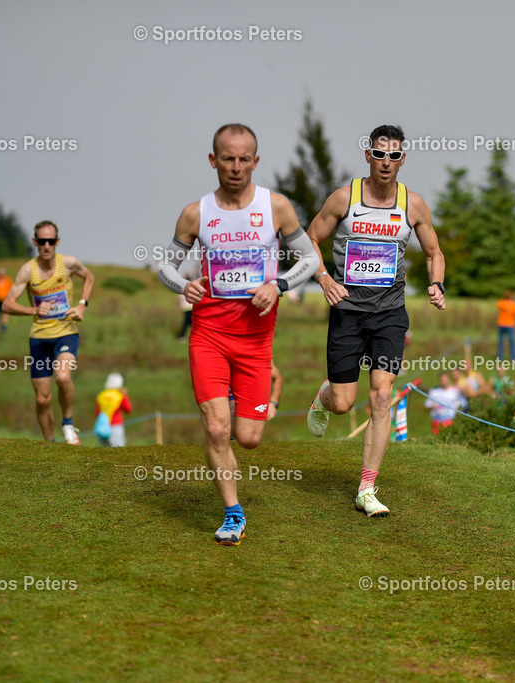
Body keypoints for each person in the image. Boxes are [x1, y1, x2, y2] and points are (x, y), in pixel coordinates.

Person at [156, 123, 320, 546]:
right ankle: (232, 513)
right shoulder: (197, 213)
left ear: (256, 161)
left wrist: (278, 284)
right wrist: (183, 285)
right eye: (227, 158)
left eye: (244, 159)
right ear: (213, 160)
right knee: (215, 430)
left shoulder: (276, 206)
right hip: (208, 332)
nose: (235, 167)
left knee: (247, 438)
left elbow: (309, 258)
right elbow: (165, 266)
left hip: (255, 339)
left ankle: (234, 405)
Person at [305, 124, 446, 518]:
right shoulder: (343, 198)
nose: (386, 162)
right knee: (344, 403)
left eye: (394, 155)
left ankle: (366, 488)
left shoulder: (412, 204)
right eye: (380, 154)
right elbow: (309, 239)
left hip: (389, 312)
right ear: (368, 155)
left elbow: (434, 251)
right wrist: (324, 278)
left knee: (382, 396)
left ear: (403, 159)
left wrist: (436, 284)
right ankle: (325, 395)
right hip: (348, 310)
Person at [1, 220, 96, 445]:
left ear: (57, 242)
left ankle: (68, 423)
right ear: (35, 242)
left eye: (50, 241)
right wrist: (33, 309)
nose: (46, 245)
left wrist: (82, 304)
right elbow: (6, 305)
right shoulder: (27, 270)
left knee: (63, 376)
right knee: (43, 399)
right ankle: (49, 444)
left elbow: (89, 277)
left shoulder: (70, 263)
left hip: (66, 333)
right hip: (39, 339)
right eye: (41, 241)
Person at [95, 373, 132, 447]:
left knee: (104, 451)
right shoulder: (119, 396)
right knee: (118, 450)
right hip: (116, 425)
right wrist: (125, 395)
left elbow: (97, 413)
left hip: (102, 426)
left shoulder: (101, 395)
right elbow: (128, 409)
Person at [496, 290, 515, 360]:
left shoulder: (501, 303)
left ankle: (500, 357)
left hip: (502, 324)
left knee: (501, 342)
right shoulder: (513, 304)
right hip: (509, 325)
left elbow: (499, 307)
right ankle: (513, 358)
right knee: (511, 342)